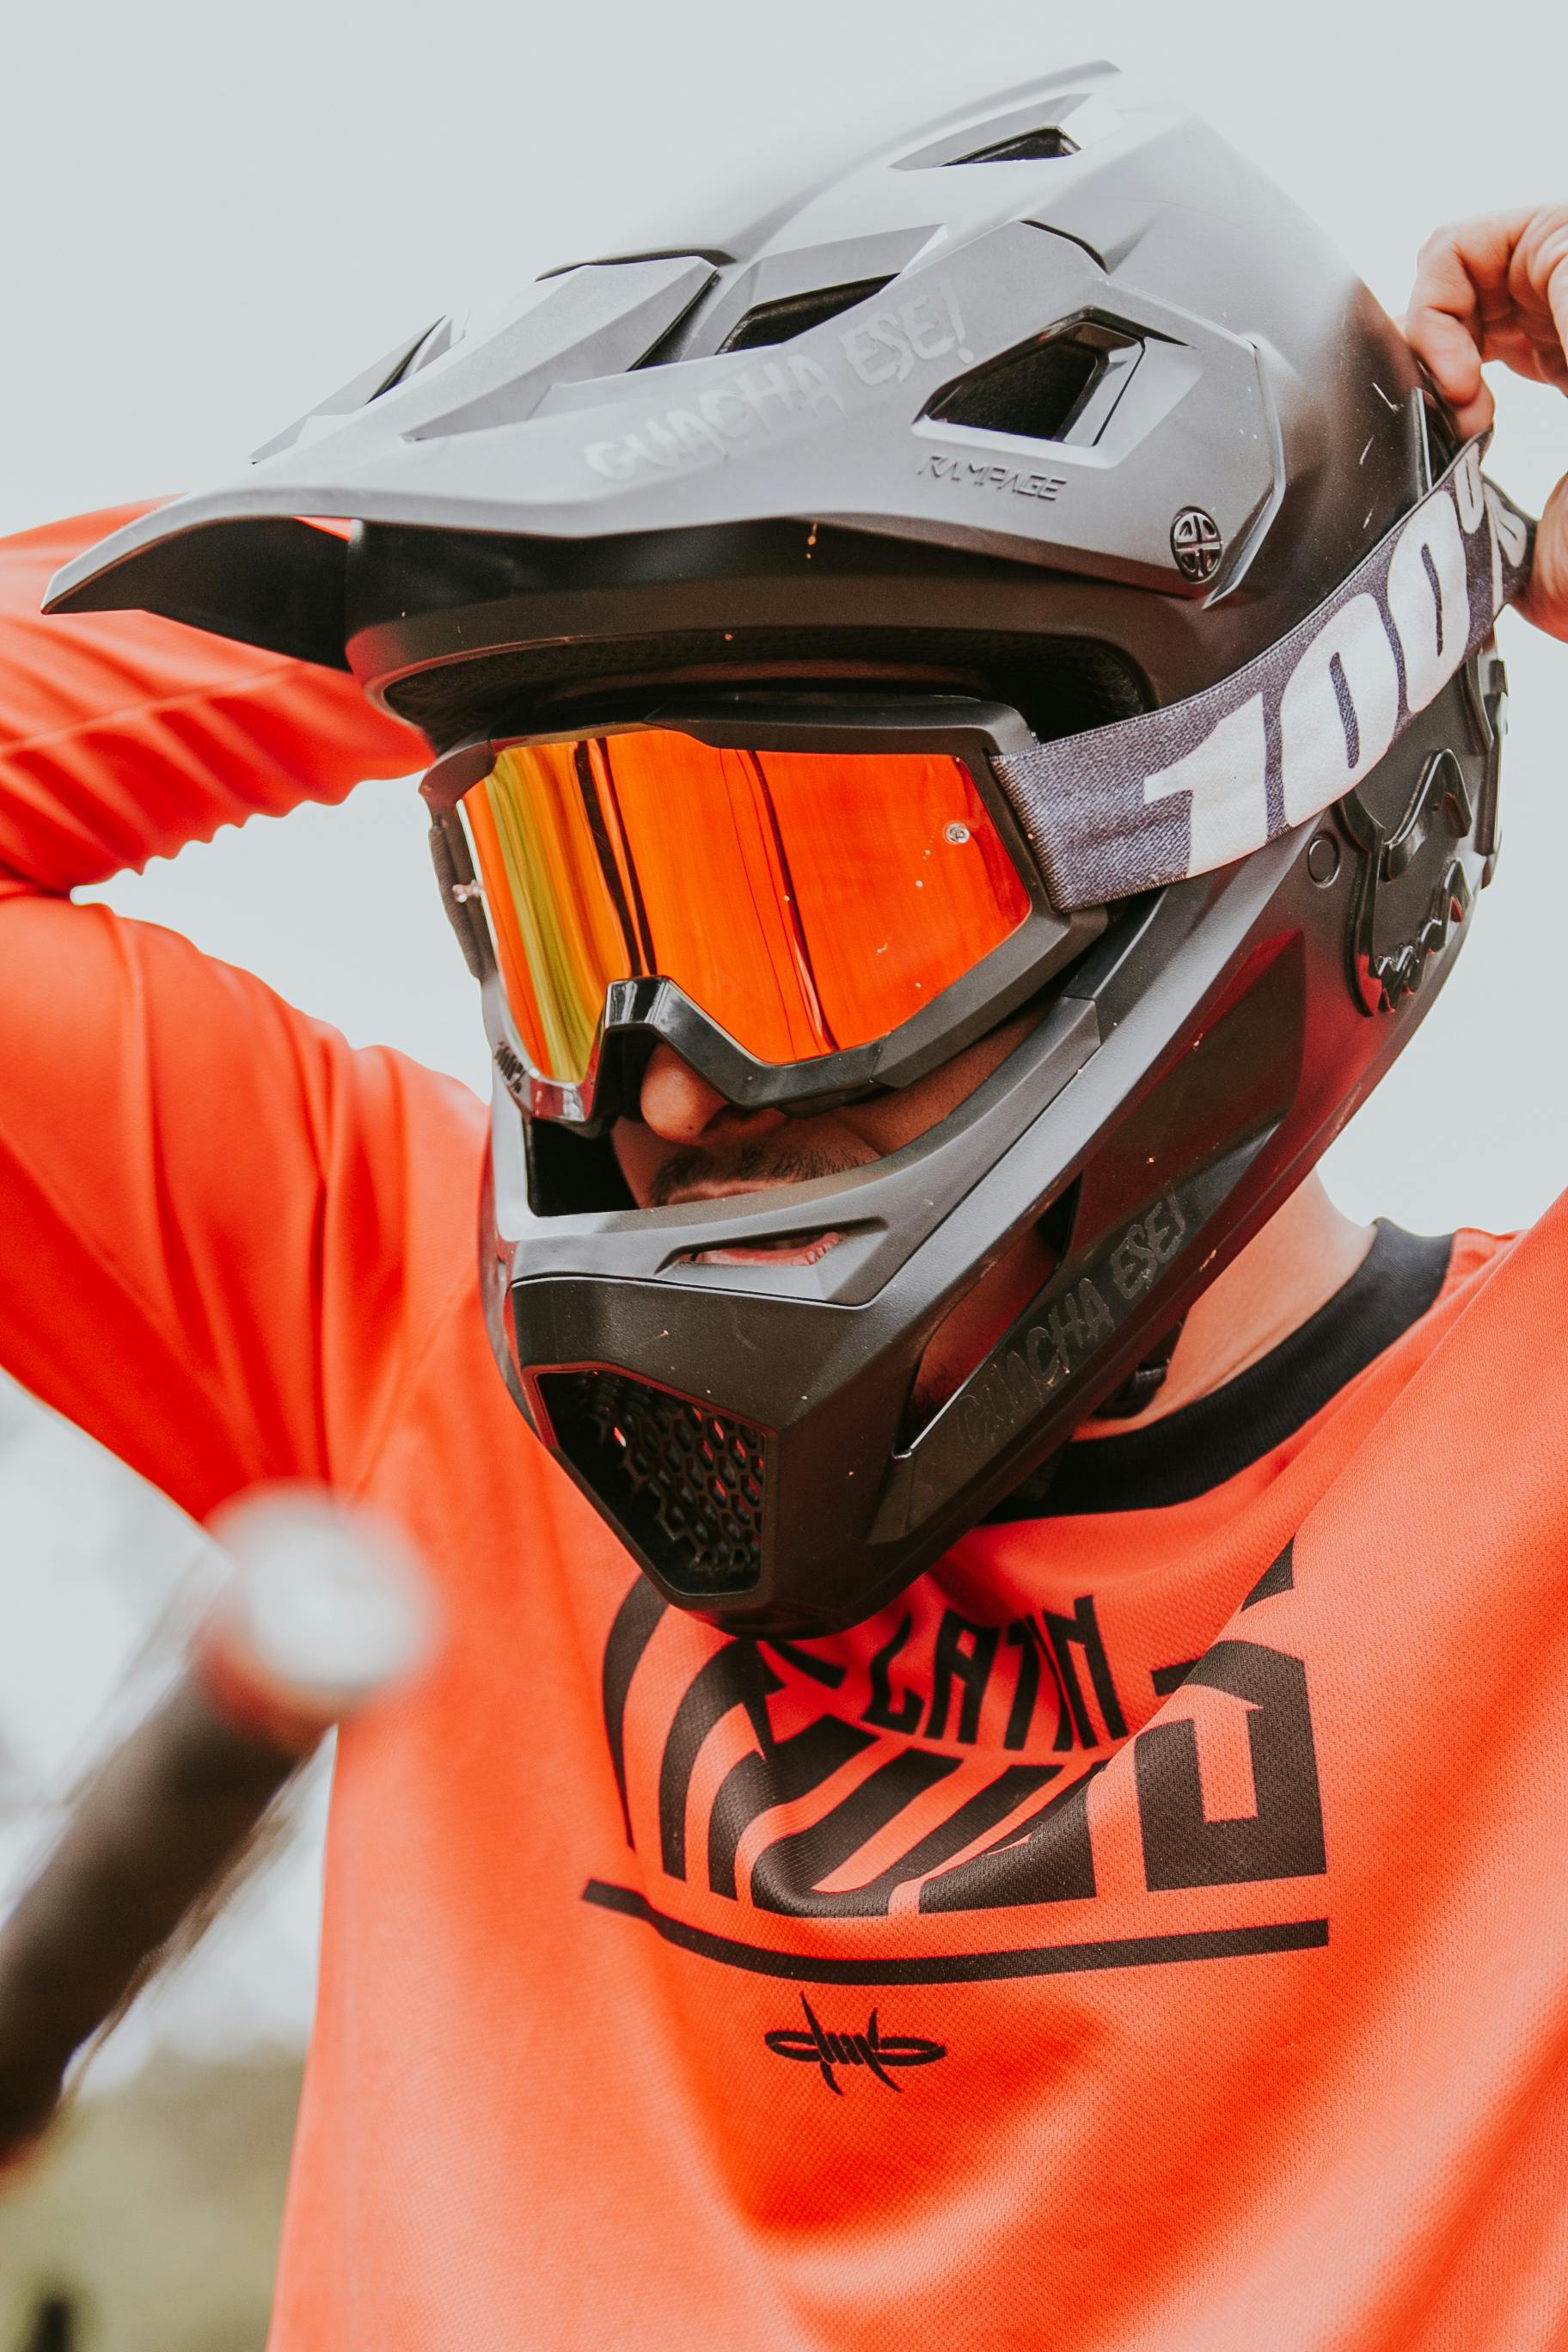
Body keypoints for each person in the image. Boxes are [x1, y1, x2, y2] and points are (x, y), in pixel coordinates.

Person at [3, 64, 1567, 2349]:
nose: (653, 1072)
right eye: (571, 901)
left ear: (1225, 816)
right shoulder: (415, 1329)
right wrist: (451, 566)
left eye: (797, 910)